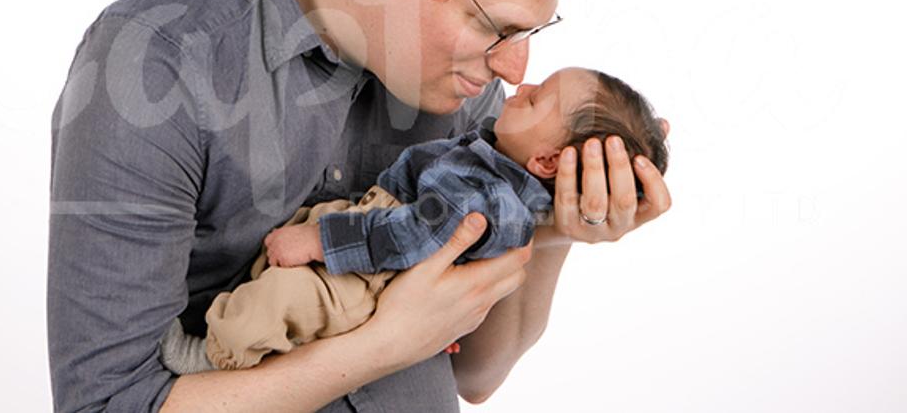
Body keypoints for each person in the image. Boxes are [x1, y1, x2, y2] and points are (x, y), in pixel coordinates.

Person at [47, 0, 673, 413]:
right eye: (497, 27)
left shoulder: (464, 75)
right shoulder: (153, 65)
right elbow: (108, 404)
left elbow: (476, 374)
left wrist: (556, 226)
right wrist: (382, 347)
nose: (515, 71)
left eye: (531, 33)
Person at [156, 66, 670, 374]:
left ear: (548, 163)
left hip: (373, 270)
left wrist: (320, 239)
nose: (520, 80)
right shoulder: (496, 154)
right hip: (370, 231)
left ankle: (212, 356)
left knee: (279, 303)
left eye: (536, 98)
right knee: (276, 284)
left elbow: (410, 235)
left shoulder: (493, 199)